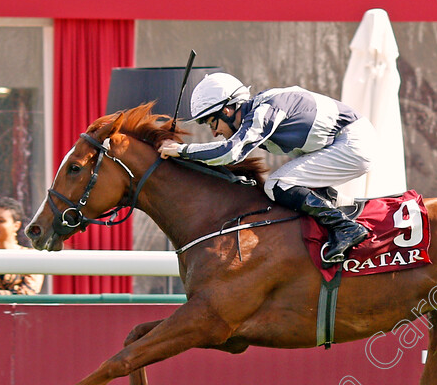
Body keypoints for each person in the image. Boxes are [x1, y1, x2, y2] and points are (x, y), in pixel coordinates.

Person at [158, 73, 380, 267]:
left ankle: (345, 227)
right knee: (288, 181)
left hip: (353, 143)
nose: (214, 132)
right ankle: (340, 211)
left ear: (226, 110)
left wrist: (181, 150)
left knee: (277, 183)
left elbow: (231, 153)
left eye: (211, 123)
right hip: (344, 141)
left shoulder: (264, 110)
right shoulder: (259, 109)